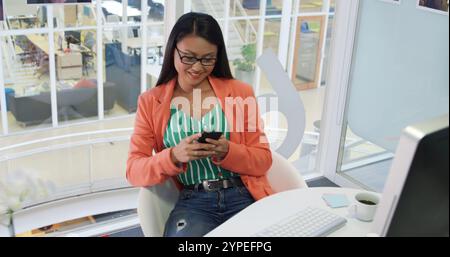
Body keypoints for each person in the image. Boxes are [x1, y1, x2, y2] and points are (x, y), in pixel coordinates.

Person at [126, 12, 274, 237]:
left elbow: (263, 160)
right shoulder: (150, 101)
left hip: (242, 194)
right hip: (194, 202)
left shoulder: (241, 93)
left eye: (207, 59)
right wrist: (174, 155)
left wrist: (228, 151)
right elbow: (133, 171)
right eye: (188, 57)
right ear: (173, 51)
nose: (197, 67)